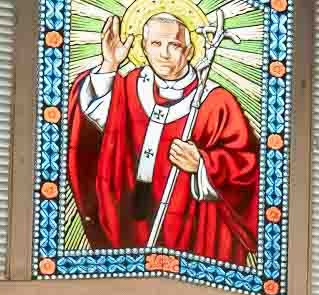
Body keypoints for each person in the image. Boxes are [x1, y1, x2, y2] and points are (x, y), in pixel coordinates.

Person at [67, 0, 260, 262]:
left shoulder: (216, 102)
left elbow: (247, 167)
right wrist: (110, 65)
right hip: (132, 213)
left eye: (174, 45)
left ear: (190, 50)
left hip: (192, 223)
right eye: (156, 44)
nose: (164, 53)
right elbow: (98, 119)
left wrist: (204, 164)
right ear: (144, 47)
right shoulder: (130, 85)